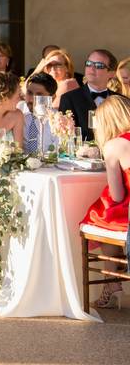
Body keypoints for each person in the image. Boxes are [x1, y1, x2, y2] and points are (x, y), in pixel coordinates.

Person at [80, 94, 130, 308]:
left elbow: (117, 195)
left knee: (100, 216)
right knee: (106, 215)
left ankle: (112, 281)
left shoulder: (113, 145)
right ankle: (113, 283)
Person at [60, 49, 117, 140]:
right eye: (88, 64)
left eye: (99, 65)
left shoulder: (120, 101)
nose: (91, 68)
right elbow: (65, 138)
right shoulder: (69, 99)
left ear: (112, 73)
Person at [21, 72, 59, 154]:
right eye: (29, 93)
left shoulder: (58, 121)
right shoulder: (18, 112)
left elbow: (59, 152)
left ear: (52, 97)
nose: (31, 100)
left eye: (39, 95)